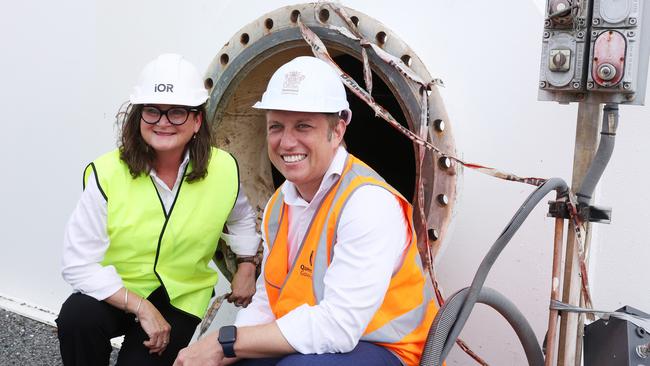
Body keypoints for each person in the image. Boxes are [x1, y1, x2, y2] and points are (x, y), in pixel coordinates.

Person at [174, 56, 438, 366]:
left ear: (337, 130)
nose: (286, 142)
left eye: (303, 126)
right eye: (276, 127)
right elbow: (267, 302)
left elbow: (338, 328)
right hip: (314, 338)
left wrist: (226, 343)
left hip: (389, 349)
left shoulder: (367, 204)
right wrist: (221, 351)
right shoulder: (278, 205)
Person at [57, 53, 260, 366]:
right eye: (152, 111)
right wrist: (141, 307)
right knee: (77, 317)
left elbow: (243, 219)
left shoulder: (223, 169)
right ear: (139, 117)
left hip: (181, 298)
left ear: (197, 121)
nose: (163, 122)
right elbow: (77, 264)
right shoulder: (106, 173)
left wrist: (247, 264)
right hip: (119, 290)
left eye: (177, 112)